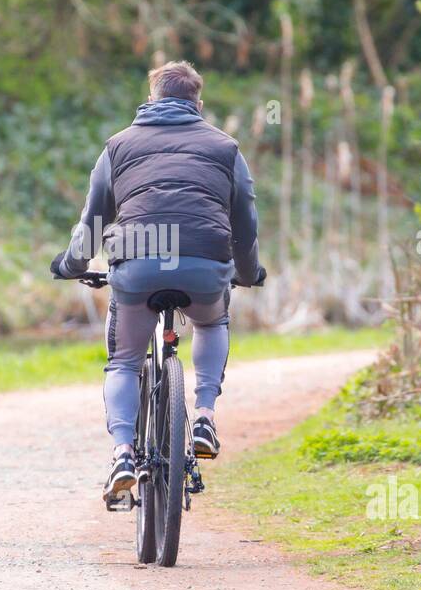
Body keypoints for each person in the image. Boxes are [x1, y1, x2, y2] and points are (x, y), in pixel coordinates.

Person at [51, 60, 265, 502]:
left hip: (137, 266)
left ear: (151, 99)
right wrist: (247, 273)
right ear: (198, 103)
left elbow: (92, 221)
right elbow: (244, 223)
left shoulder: (118, 146)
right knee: (209, 323)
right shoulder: (226, 148)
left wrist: (72, 265)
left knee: (125, 361)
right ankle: (204, 414)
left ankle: (124, 454)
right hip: (205, 265)